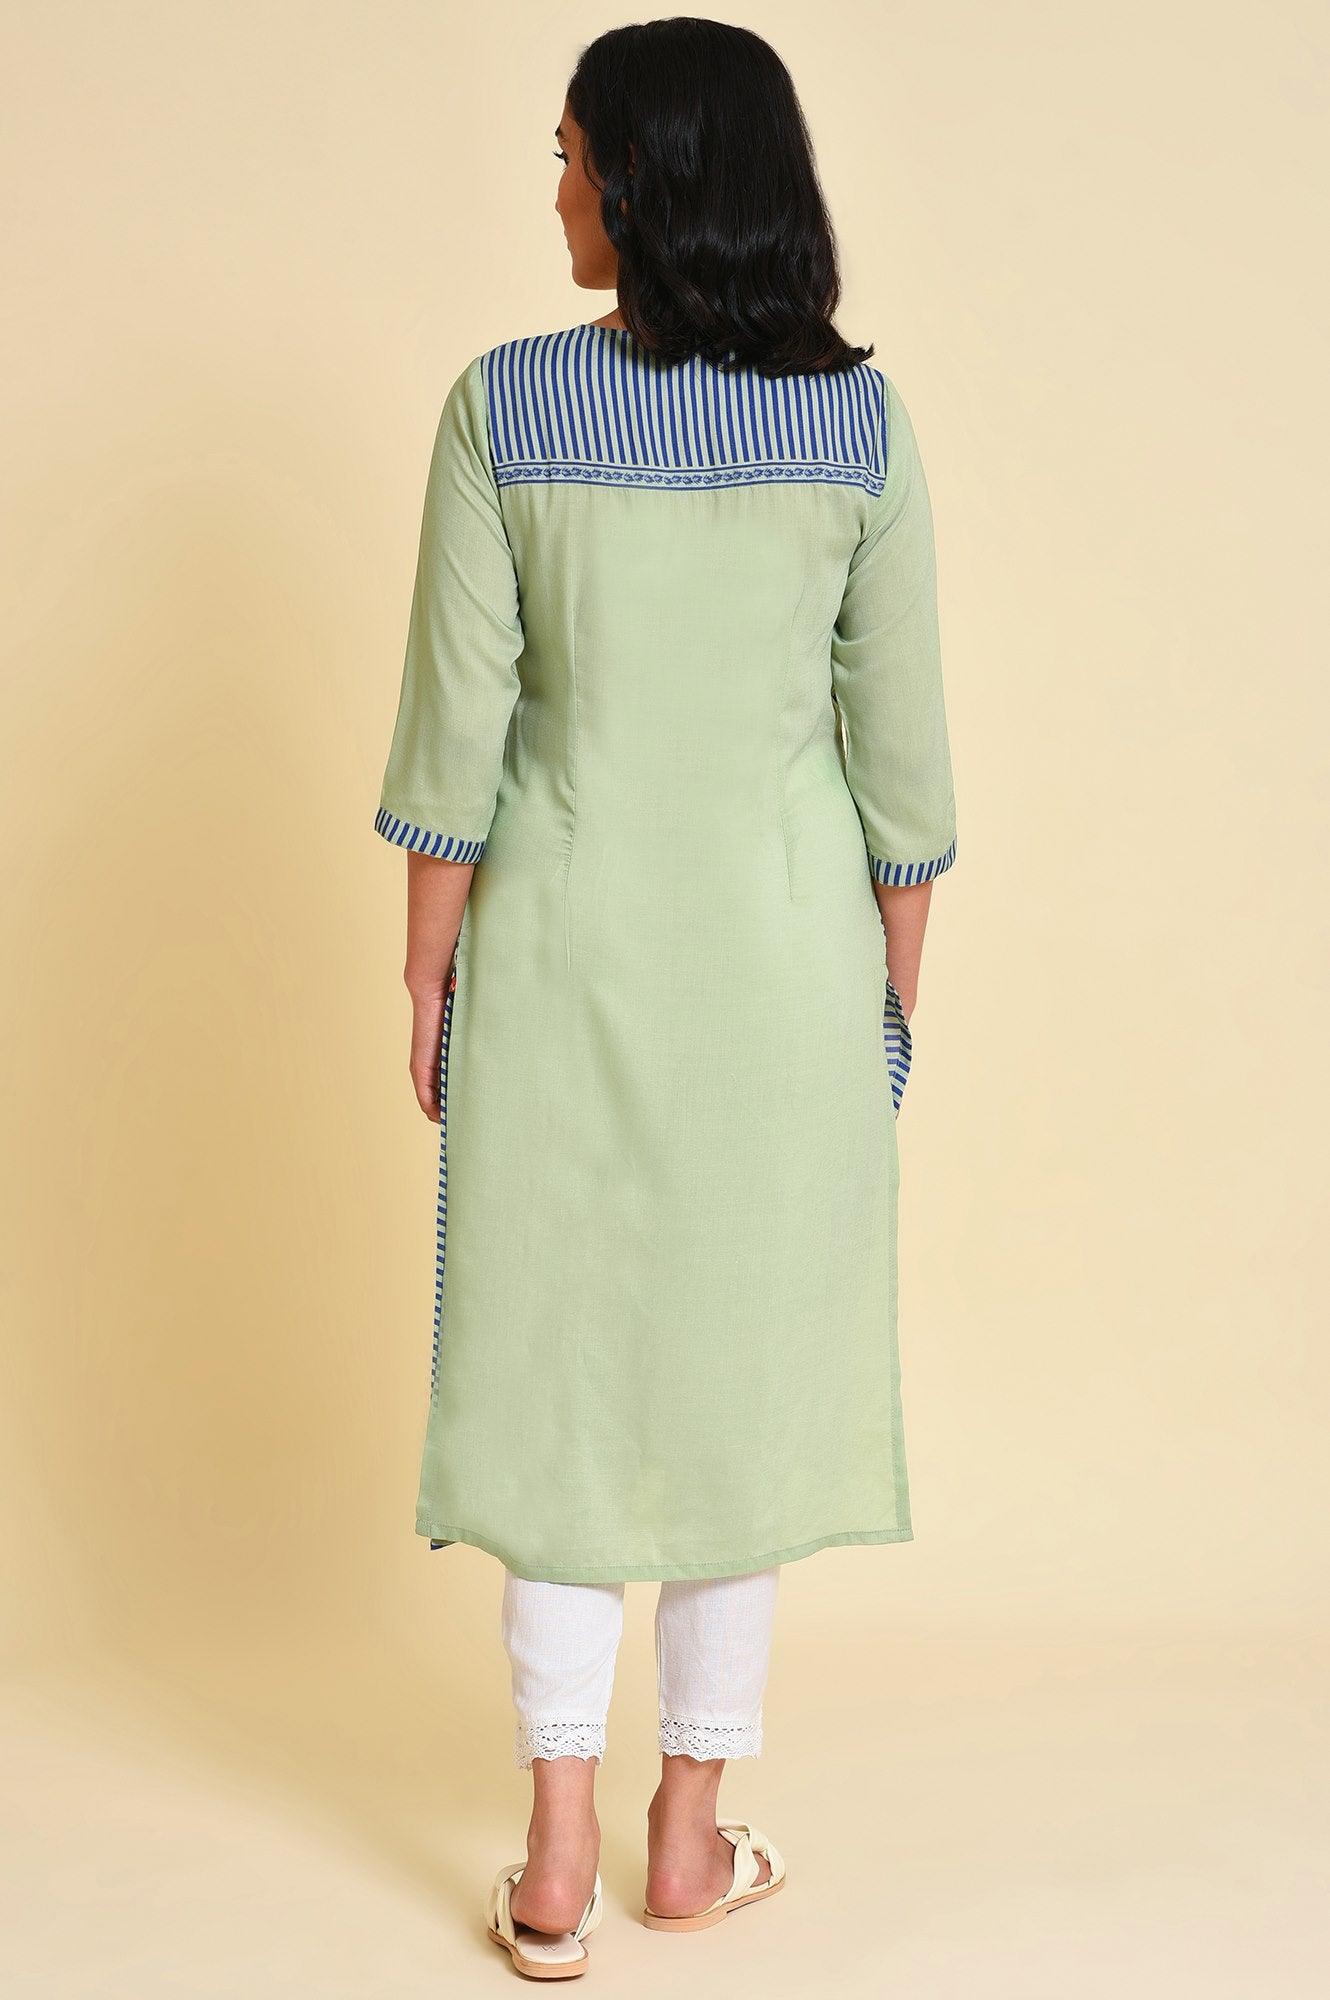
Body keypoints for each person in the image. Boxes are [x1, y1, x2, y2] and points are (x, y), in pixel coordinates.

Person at [373, 17, 958, 1979]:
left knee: (555, 1380)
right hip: (785, 980)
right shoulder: (858, 431)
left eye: (570, 156)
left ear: (644, 180)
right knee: (738, 1392)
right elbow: (903, 776)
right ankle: (684, 1839)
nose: (555, 189)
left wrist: (427, 967)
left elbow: (455, 739)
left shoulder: (501, 408)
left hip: (555, 956)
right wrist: (886, 1000)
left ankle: (554, 1858)